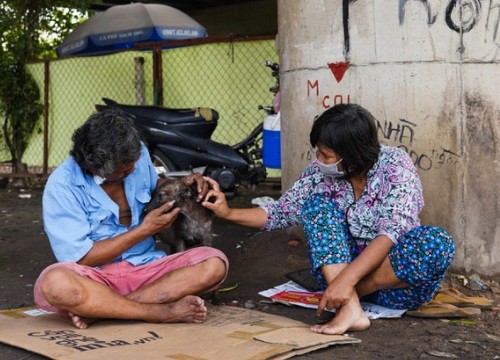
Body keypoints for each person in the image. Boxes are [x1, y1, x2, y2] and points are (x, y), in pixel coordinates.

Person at [202, 103, 454, 335]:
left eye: (326, 155)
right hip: (335, 281)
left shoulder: (395, 164)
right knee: (316, 205)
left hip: (394, 288)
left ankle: (352, 297)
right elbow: (280, 212)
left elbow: (391, 232)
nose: (319, 160)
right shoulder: (318, 173)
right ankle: (351, 309)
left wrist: (347, 283)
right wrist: (227, 213)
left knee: (437, 243)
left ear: (353, 155)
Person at [34, 108, 228, 329]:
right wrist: (144, 231)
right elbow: (82, 258)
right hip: (96, 279)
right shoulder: (62, 186)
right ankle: (158, 311)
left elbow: (156, 188)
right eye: (124, 170)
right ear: (96, 167)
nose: (133, 169)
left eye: (134, 162)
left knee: (214, 263)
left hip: (149, 270)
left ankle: (105, 310)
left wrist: (183, 186)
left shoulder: (136, 153)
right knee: (55, 284)